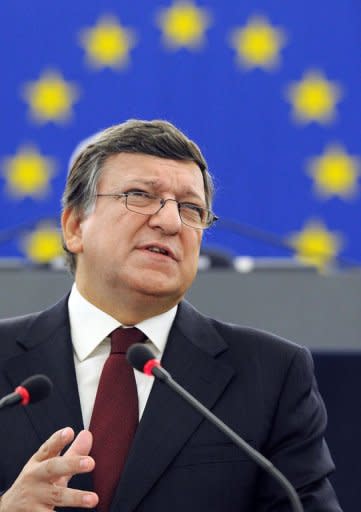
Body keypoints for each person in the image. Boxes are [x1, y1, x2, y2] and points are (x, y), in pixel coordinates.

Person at [0, 119, 342, 511]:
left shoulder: (272, 375)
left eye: (191, 208)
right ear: (75, 226)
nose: (170, 221)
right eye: (140, 195)